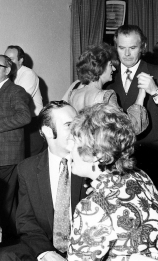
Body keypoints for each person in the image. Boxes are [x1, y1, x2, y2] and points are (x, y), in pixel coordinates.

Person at [0, 101, 87, 261]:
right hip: (46, 246)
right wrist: (46, 253)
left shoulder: (91, 164)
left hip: (86, 247)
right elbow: (26, 220)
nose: (77, 130)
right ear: (48, 131)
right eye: (69, 125)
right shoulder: (27, 169)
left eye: (78, 123)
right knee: (4, 257)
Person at [68, 103, 158, 260]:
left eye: (75, 142)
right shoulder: (139, 175)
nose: (69, 149)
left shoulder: (91, 208)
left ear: (98, 155)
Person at [0, 54, 32, 237]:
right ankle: (5, 238)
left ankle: (6, 241)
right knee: (0, 198)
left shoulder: (16, 91)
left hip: (9, 154)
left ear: (8, 70)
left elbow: (24, 117)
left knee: (4, 199)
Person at [106, 25, 158, 185]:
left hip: (153, 156)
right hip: (118, 157)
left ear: (143, 47)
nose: (127, 54)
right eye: (122, 48)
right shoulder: (106, 75)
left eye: (133, 48)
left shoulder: (156, 72)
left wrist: (155, 91)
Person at [62, 43, 148, 135]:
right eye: (111, 65)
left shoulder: (73, 94)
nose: (114, 69)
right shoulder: (106, 95)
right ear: (100, 67)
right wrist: (141, 96)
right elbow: (128, 128)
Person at [5, 45, 45, 157]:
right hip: (20, 123)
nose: (7, 62)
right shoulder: (9, 76)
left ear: (21, 60)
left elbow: (17, 101)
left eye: (11, 59)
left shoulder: (28, 74)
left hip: (32, 125)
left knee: (32, 159)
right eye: (5, 59)